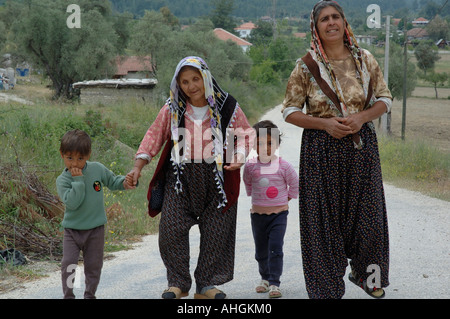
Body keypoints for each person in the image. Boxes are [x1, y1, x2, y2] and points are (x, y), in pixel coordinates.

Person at [282, 0, 391, 299]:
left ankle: (367, 274)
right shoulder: (306, 65)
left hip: (361, 148)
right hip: (320, 150)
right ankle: (326, 290)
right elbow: (290, 111)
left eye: (336, 17)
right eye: (324, 19)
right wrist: (325, 124)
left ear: (344, 22)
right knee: (322, 222)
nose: (331, 23)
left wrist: (362, 117)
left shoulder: (365, 59)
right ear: (316, 27)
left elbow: (384, 98)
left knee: (368, 218)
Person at [128, 56, 253, 299]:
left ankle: (207, 284)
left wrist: (238, 157)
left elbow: (245, 134)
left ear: (206, 77)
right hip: (180, 179)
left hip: (218, 179)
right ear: (178, 84)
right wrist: (138, 166)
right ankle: (178, 282)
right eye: (184, 81)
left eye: (196, 79)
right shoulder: (172, 108)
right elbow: (154, 136)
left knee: (217, 231)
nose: (191, 85)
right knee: (171, 230)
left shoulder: (227, 106)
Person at [56, 129, 135, 299]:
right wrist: (78, 180)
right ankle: (69, 295)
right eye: (70, 158)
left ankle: (89, 295)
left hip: (95, 230)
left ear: (88, 155)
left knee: (93, 266)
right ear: (62, 155)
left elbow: (113, 181)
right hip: (72, 231)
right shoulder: (63, 181)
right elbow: (73, 203)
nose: (75, 164)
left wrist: (126, 183)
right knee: (70, 265)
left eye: (80, 158)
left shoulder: (97, 169)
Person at [243, 120, 298, 298]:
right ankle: (264, 278)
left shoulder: (284, 166)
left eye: (270, 143)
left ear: (277, 144)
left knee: (275, 247)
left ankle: (274, 282)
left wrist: (287, 198)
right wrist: (251, 194)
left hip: (279, 215)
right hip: (257, 215)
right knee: (260, 250)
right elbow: (247, 181)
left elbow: (295, 184)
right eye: (259, 143)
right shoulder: (251, 166)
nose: (265, 147)